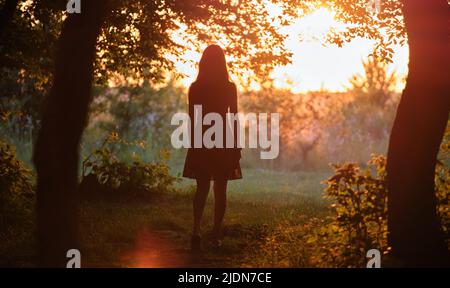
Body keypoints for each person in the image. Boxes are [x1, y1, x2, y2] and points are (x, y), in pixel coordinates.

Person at [183, 44, 242, 252]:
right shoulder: (229, 87)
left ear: (203, 63)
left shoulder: (195, 87)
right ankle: (216, 234)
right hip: (223, 138)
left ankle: (196, 231)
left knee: (202, 188)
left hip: (202, 138)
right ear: (223, 63)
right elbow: (234, 116)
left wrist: (194, 144)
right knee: (220, 189)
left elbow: (192, 118)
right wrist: (236, 145)